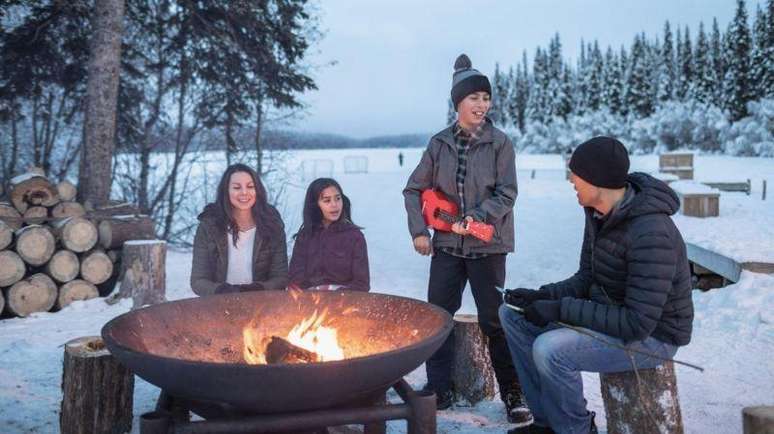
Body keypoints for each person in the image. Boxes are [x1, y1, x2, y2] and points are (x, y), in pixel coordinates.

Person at [499, 136, 694, 434]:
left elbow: (636, 323)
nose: (571, 181)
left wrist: (559, 309)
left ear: (597, 180)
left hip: (655, 337)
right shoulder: (599, 213)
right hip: (613, 316)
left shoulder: (651, 233)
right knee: (512, 315)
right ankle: (547, 423)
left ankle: (575, 429)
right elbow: (586, 278)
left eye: (576, 175)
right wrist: (540, 296)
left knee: (551, 349)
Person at [403, 53, 531, 425]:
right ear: (457, 102)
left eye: (486, 98)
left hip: (487, 246)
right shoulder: (439, 144)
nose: (482, 104)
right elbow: (414, 190)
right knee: (438, 317)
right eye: (473, 97)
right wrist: (419, 231)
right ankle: (438, 389)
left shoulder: (500, 144)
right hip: (446, 247)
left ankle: (513, 393)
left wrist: (474, 217)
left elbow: (507, 194)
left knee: (496, 322)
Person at [190, 163, 288, 295]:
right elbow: (198, 281)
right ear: (226, 191)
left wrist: (258, 289)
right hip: (218, 304)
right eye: (237, 187)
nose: (244, 192)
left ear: (257, 190)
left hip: (262, 303)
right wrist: (220, 290)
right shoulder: (209, 225)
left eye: (250, 186)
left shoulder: (272, 224)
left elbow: (281, 278)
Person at [289, 178, 369, 292]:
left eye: (338, 198)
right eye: (327, 201)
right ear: (315, 205)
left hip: (346, 303)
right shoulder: (305, 236)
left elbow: (362, 284)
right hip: (309, 303)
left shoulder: (355, 236)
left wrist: (336, 298)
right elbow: (295, 280)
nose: (334, 205)